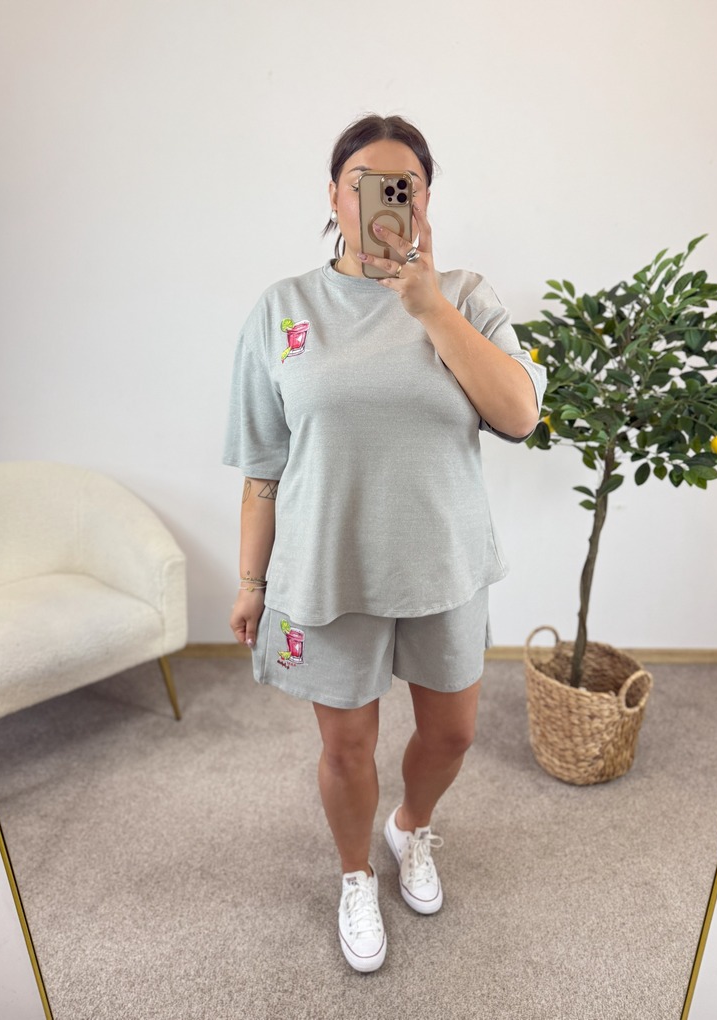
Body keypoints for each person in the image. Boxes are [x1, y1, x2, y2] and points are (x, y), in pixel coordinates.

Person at [224, 114, 546, 973]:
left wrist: (428, 306)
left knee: (453, 735)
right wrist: (252, 581)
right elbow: (263, 467)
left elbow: (519, 414)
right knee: (345, 746)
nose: (384, 198)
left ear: (425, 199)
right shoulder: (282, 309)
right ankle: (356, 874)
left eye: (406, 184)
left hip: (443, 561)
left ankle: (409, 827)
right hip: (327, 568)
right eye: (363, 181)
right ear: (334, 194)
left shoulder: (465, 296)